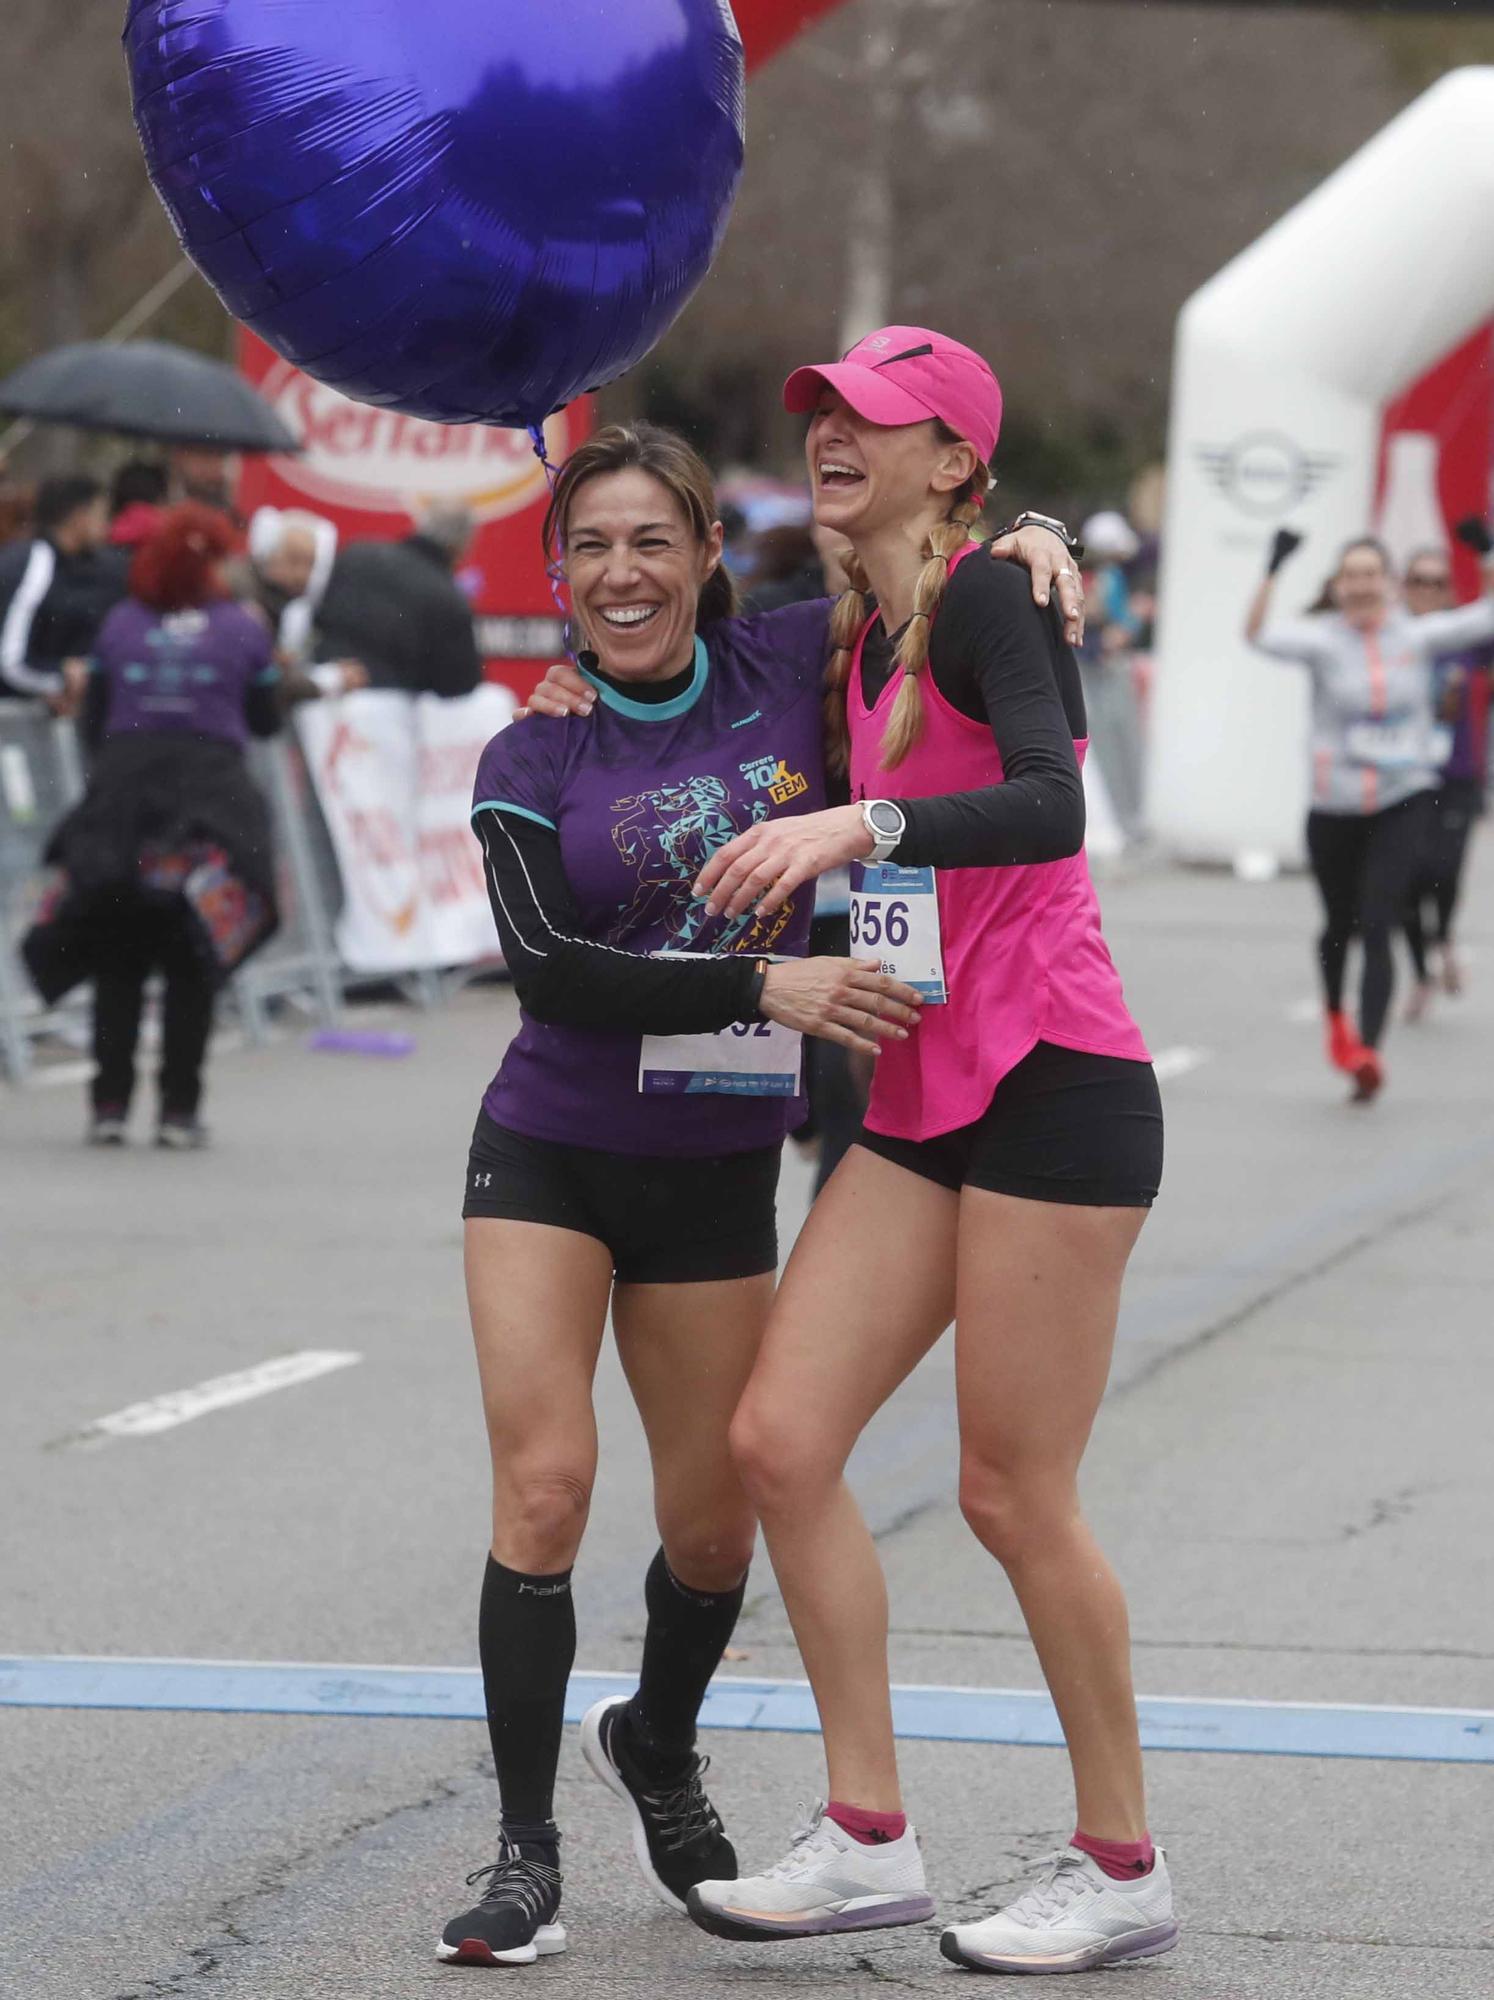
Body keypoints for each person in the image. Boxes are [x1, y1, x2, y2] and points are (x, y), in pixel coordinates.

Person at [438, 417, 1083, 1969]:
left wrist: (1037, 530)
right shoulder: (534, 748)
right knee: (543, 1490)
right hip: (549, 1153)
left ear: (712, 555)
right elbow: (548, 973)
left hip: (714, 1168)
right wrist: (765, 986)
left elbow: (934, 565)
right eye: (588, 547)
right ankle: (525, 1854)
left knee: (717, 1527)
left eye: (652, 539)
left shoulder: (790, 662)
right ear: (557, 577)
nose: (621, 572)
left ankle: (657, 1740)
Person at [671, 328, 1172, 1978]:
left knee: (1008, 1491)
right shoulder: (857, 626)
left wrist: (855, 822)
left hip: (1053, 1083)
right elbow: (674, 642)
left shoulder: (981, 598)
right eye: (818, 416)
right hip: (916, 1086)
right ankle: (865, 1837)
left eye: (866, 422)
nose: (826, 437)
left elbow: (1043, 801)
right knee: (778, 1439)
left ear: (953, 460)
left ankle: (1118, 1865)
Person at [21, 504, 281, 1146]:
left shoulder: (121, 623)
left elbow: (93, 719)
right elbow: (266, 716)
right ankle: (178, 1111)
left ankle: (108, 1106)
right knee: (190, 956)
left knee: (118, 956)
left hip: (122, 809)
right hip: (208, 812)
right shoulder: (242, 630)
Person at [1246, 530, 1494, 1099]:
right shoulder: (1322, 642)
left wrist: (1486, 558)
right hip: (1332, 806)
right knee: (1340, 925)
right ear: (1339, 586)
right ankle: (1338, 1017)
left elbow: (1486, 617)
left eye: (1371, 574)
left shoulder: (1419, 635)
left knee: (1378, 919)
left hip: (1402, 797)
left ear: (1389, 583)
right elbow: (1256, 635)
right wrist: (1272, 567)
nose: (1361, 584)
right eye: (1350, 575)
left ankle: (1370, 1052)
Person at [1399, 543, 1493, 1015]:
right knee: (1406, 882)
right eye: (1417, 581)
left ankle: (1446, 938)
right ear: (1402, 587)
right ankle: (1421, 973)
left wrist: (1488, 558)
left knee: (1443, 871)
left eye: (1436, 583)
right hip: (1399, 781)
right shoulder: (1389, 639)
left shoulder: (1465, 639)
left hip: (1456, 776)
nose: (1426, 591)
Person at [315, 500, 483, 698]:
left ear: (420, 526)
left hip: (320, 694)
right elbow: (460, 683)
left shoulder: (355, 553)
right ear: (460, 546)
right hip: (390, 714)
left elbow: (314, 618)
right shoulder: (449, 597)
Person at [0, 475, 113, 711]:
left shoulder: (83, 566)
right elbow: (10, 659)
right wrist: (58, 678)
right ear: (78, 516)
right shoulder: (34, 560)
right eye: (101, 513)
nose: (107, 525)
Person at [1077, 509, 1148, 846]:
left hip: (1107, 667)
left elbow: (1121, 623)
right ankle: (1124, 823)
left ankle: (1131, 821)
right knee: (1105, 748)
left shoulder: (1110, 576)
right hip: (1090, 670)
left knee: (1123, 745)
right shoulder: (1085, 575)